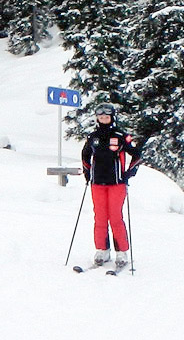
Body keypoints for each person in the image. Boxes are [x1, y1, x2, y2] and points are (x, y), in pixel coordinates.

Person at [80, 102, 140, 267]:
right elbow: (85, 155)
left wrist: (129, 173)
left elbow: (136, 155)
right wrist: (87, 172)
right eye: (101, 117)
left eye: (106, 117)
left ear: (112, 118)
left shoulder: (121, 135)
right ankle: (102, 250)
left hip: (116, 184)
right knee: (99, 217)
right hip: (97, 184)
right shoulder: (93, 137)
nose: (104, 119)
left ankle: (121, 252)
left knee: (115, 217)